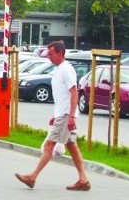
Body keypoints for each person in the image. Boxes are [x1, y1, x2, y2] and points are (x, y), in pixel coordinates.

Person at [14, 40, 91, 191]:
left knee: (49, 145)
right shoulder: (58, 69)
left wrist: (71, 117)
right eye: (48, 54)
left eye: (51, 54)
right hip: (62, 115)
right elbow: (61, 96)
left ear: (61, 53)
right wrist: (56, 115)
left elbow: (73, 93)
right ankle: (83, 180)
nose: (49, 57)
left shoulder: (66, 69)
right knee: (72, 146)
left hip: (66, 115)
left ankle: (32, 177)